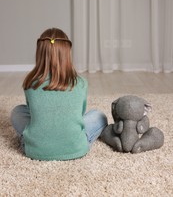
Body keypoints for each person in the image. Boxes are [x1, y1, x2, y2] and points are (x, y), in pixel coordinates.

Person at [11, 28, 108, 161]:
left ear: (40, 53)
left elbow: (31, 111)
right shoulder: (80, 83)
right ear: (67, 53)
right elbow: (80, 114)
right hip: (75, 147)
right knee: (98, 115)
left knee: (17, 111)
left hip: (35, 150)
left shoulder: (30, 83)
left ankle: (32, 139)